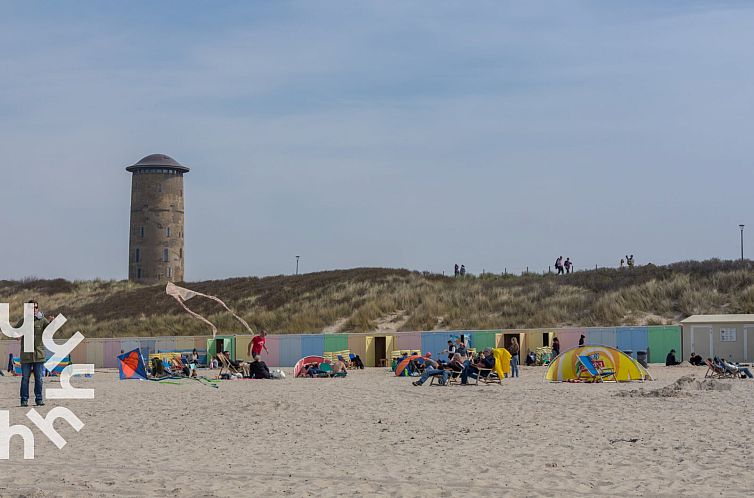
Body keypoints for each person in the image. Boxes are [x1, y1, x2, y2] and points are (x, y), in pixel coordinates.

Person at [15, 300, 48, 407]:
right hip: (26, 356)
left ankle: (39, 399)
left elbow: (50, 331)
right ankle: (24, 400)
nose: (34, 309)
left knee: (39, 379)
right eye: (31, 307)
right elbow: (16, 334)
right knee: (25, 379)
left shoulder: (43, 320)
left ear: (38, 308)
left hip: (39, 355)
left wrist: (53, 323)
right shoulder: (23, 321)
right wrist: (17, 335)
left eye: (36, 307)